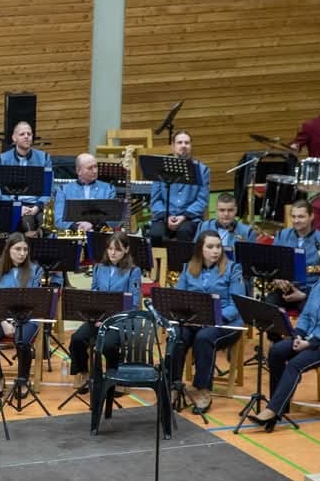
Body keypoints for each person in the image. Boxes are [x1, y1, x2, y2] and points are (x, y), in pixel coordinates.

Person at [250, 252, 320, 431]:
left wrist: (311, 342)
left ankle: (272, 410)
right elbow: (306, 315)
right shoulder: (318, 286)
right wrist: (298, 334)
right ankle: (280, 405)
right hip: (308, 339)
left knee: (294, 364)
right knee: (276, 351)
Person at [170, 230, 246, 414]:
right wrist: (188, 318)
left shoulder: (233, 268)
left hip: (225, 322)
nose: (216, 251)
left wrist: (212, 318)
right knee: (177, 336)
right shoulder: (189, 267)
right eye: (210, 247)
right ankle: (173, 385)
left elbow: (237, 303)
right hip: (194, 321)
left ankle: (203, 390)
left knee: (204, 338)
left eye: (218, 246)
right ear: (200, 249)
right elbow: (180, 297)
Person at [67, 232, 142, 393]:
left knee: (108, 344)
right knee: (77, 339)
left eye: (118, 249)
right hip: (97, 318)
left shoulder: (133, 271)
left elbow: (133, 303)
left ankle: (114, 375)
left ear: (126, 250)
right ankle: (84, 373)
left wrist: (109, 320)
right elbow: (94, 295)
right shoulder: (98, 268)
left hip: (121, 321)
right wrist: (93, 316)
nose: (113, 253)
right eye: (110, 249)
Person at [0, 232, 45, 391]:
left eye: (25, 249)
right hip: (2, 318)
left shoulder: (36, 270)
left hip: (28, 318)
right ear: (8, 249)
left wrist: (17, 324)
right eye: (18, 249)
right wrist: (3, 322)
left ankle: (23, 380)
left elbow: (36, 301)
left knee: (22, 341)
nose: (22, 253)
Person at [270, 200, 320, 310]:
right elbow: (273, 262)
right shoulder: (281, 235)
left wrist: (305, 295)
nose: (296, 221)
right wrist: (277, 278)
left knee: (311, 311)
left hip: (310, 291)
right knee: (268, 306)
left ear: (311, 216)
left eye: (301, 217)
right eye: (293, 216)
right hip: (284, 288)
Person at [148, 130, 210, 242]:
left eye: (187, 143)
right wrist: (166, 216)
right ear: (172, 146)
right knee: (155, 234)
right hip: (164, 217)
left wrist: (184, 216)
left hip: (190, 218)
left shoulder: (202, 170)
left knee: (184, 231)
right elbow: (155, 199)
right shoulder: (160, 169)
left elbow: (202, 200)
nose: (183, 145)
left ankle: (184, 260)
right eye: (179, 142)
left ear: (191, 146)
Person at [0, 122, 51, 234]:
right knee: (27, 224)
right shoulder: (1, 160)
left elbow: (49, 189)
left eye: (29, 134)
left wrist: (37, 207)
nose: (26, 136)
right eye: (22, 134)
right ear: (14, 138)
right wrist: (17, 208)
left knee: (46, 225)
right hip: (14, 205)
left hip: (37, 206)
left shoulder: (44, 158)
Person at [54, 154, 116, 232]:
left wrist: (93, 226)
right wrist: (77, 227)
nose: (95, 171)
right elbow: (58, 219)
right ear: (78, 171)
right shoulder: (63, 190)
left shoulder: (109, 189)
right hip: (73, 235)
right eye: (90, 168)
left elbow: (113, 219)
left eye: (96, 166)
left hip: (99, 234)